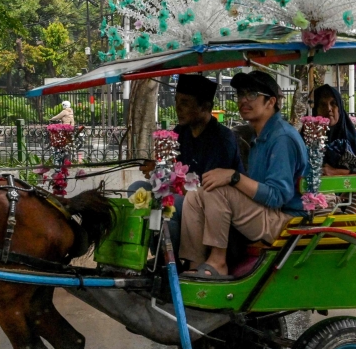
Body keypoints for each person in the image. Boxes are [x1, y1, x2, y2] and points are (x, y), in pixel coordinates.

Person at [180, 70, 309, 277]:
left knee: (217, 189)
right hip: (265, 212)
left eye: (252, 95)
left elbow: (277, 197)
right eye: (240, 95)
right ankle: (195, 265)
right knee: (196, 195)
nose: (243, 101)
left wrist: (234, 177)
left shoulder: (282, 138)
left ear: (270, 102)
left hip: (285, 220)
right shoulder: (261, 136)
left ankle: (218, 262)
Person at [130, 74, 244, 254]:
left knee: (166, 206)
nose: (177, 108)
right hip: (182, 196)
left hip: (210, 205)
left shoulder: (222, 139)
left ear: (205, 107)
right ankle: (152, 257)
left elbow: (205, 190)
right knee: (137, 189)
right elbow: (170, 171)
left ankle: (172, 263)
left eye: (184, 103)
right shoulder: (180, 131)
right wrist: (157, 170)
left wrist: (168, 179)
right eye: (176, 101)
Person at [312, 84, 356, 175]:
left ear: (340, 108)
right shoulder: (308, 139)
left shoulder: (354, 142)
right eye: (322, 105)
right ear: (315, 110)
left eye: (333, 104)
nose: (329, 109)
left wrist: (337, 172)